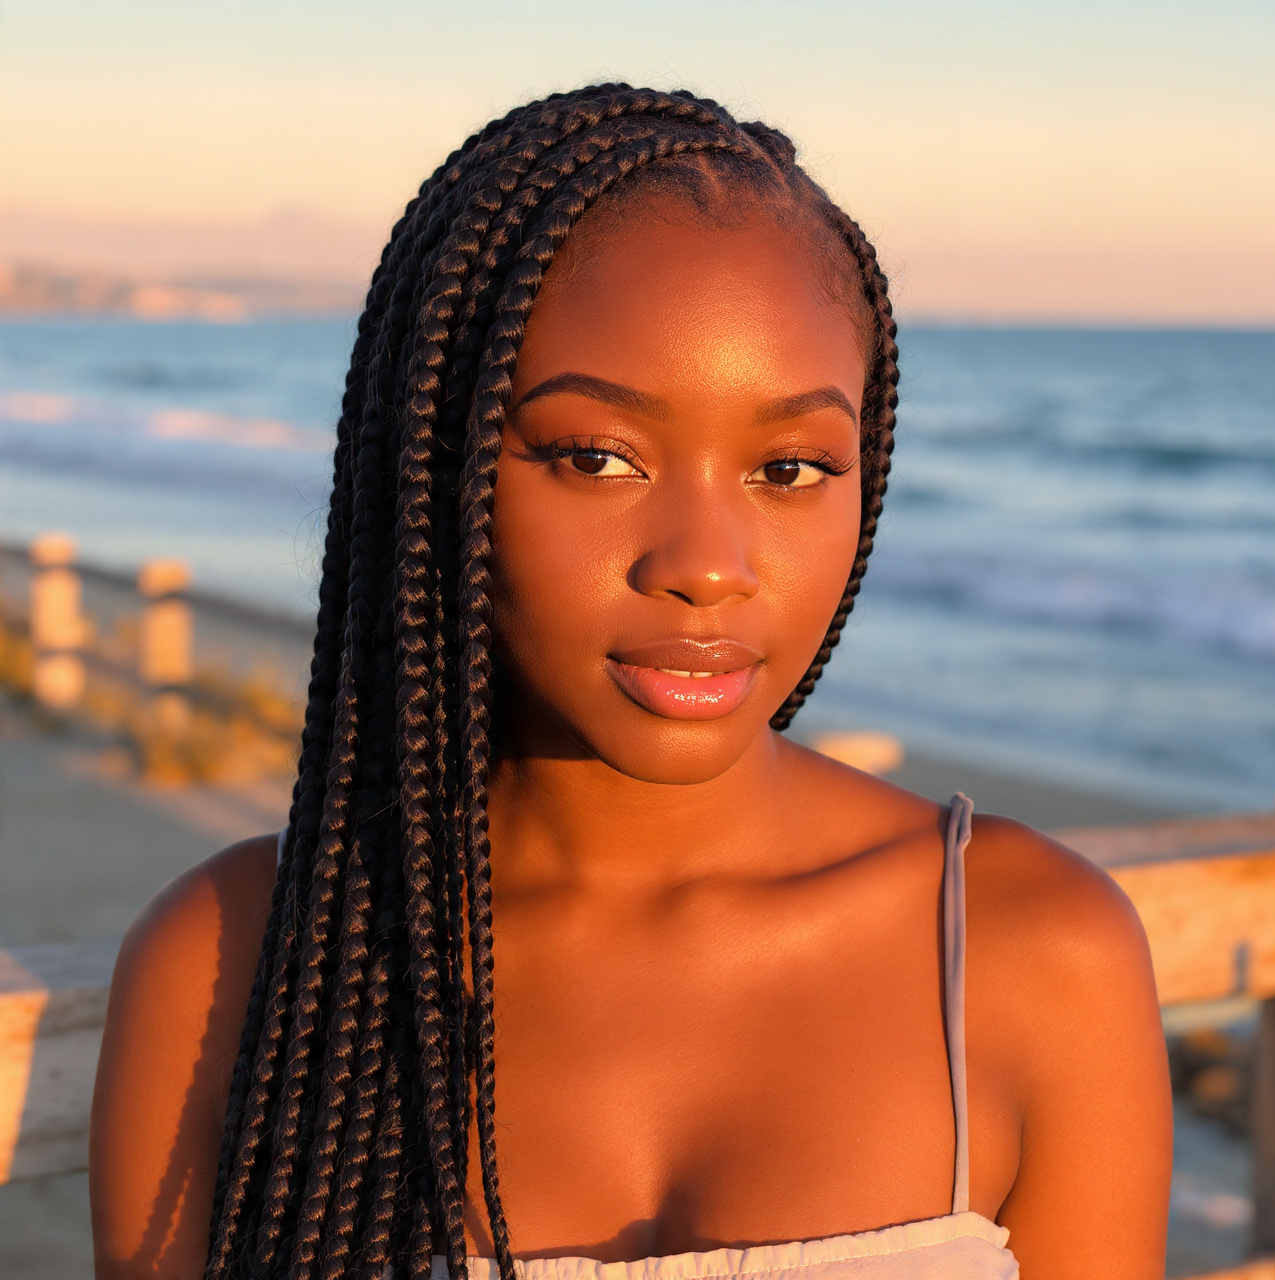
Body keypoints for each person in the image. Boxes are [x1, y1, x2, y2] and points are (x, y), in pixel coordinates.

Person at [89, 85, 1172, 1280]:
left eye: (789, 465)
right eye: (594, 456)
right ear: (429, 460)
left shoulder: (1030, 950)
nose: (706, 564)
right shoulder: (235, 961)